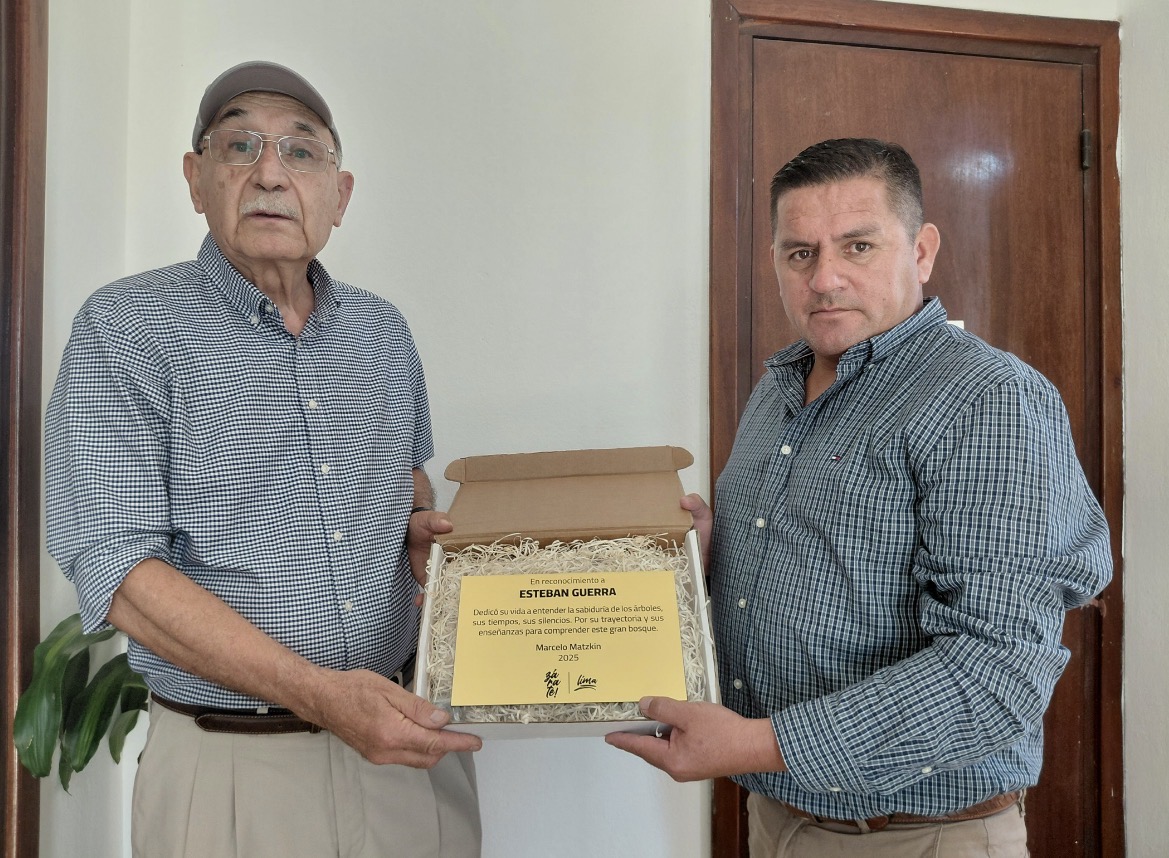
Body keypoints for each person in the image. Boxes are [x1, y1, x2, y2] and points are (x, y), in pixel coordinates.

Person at [607, 138, 1112, 856]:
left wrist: (757, 744)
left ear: (921, 251)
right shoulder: (776, 389)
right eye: (800, 253)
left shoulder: (986, 399)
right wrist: (711, 560)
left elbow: (996, 675)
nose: (824, 278)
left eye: (858, 246)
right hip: (776, 817)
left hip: (919, 836)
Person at [45, 61, 481, 857]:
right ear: (196, 179)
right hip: (230, 773)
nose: (271, 173)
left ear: (339, 195)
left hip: (405, 753)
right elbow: (119, 571)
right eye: (240, 145)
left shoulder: (382, 333)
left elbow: (406, 478)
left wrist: (415, 525)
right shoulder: (127, 328)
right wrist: (320, 694)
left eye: (300, 151)